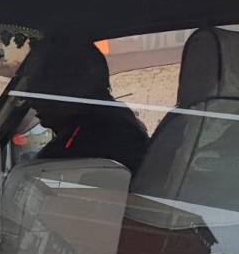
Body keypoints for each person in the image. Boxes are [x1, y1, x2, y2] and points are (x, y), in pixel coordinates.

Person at [24, 43, 150, 172]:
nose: (30, 100)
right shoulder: (115, 119)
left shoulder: (92, 137)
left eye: (39, 86)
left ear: (72, 84)